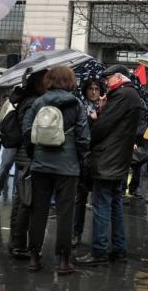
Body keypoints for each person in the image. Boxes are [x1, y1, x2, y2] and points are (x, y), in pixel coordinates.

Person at [22, 66, 90, 274]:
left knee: (38, 211)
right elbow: (83, 137)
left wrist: (35, 154)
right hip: (67, 168)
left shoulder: (38, 103)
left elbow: (27, 131)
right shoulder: (76, 104)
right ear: (70, 81)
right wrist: (78, 158)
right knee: (65, 214)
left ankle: (34, 257)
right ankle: (63, 261)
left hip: (41, 165)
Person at [75, 65, 143, 266]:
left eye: (108, 79)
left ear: (119, 77)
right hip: (119, 159)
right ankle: (118, 249)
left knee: (102, 206)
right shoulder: (130, 95)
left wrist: (96, 120)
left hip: (107, 159)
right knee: (115, 204)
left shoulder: (122, 95)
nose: (105, 83)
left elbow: (104, 126)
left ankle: (99, 251)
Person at [8, 70, 47, 259]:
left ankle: (15, 241)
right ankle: (18, 244)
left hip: (25, 155)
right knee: (26, 201)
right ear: (38, 83)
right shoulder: (33, 102)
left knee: (21, 199)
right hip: (28, 156)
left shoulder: (28, 100)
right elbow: (30, 131)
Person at [72, 77, 102, 247]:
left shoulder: (105, 106)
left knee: (99, 199)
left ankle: (98, 239)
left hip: (99, 157)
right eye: (90, 88)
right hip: (84, 157)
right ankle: (76, 233)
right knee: (80, 198)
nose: (93, 91)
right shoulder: (80, 106)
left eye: (96, 88)